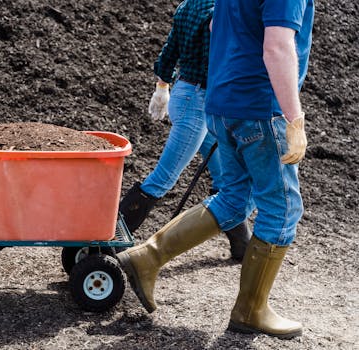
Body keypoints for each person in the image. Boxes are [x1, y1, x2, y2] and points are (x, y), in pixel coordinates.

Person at [117, 0, 314, 339]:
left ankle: (147, 257)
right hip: (260, 109)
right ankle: (251, 311)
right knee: (282, 209)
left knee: (235, 197)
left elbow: (214, 28)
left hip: (222, 103)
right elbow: (278, 46)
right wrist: (294, 119)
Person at [119, 0, 251, 261]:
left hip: (184, 94)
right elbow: (223, 59)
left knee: (224, 176)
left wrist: (162, 87)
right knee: (164, 178)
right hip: (199, 103)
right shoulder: (221, 11)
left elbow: (169, 51)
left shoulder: (188, 5)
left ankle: (242, 245)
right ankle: (109, 238)